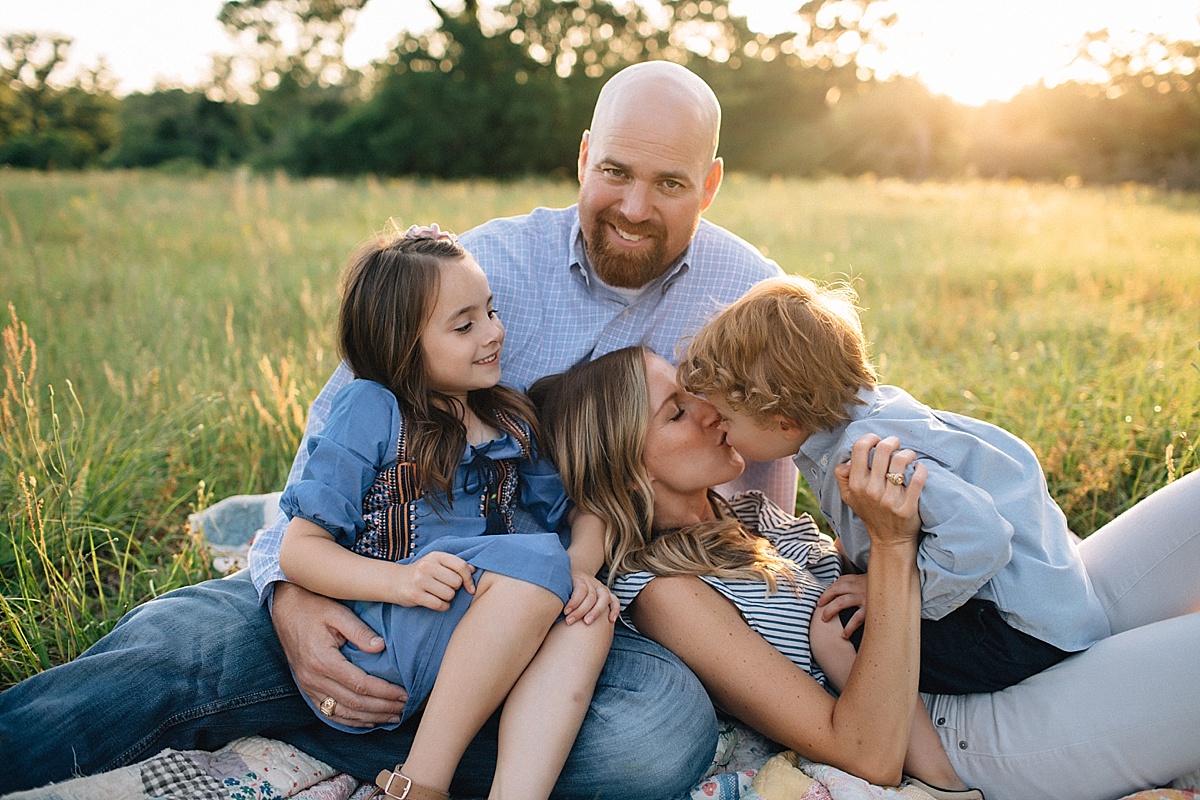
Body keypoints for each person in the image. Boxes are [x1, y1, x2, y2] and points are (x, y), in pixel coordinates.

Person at [0, 61, 791, 798]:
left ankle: (358, 733)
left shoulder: (750, 297)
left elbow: (818, 439)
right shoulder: (476, 268)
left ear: (712, 184)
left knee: (655, 734)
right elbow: (332, 442)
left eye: (671, 182)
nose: (633, 207)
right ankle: (342, 715)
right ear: (584, 156)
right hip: (381, 574)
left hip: (561, 615)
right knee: (179, 652)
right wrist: (289, 597)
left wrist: (873, 554)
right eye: (615, 171)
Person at [532, 344, 1200, 800]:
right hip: (959, 725)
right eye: (677, 410)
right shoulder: (668, 596)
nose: (711, 408)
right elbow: (865, 752)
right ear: (629, 463)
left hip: (995, 636)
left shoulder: (751, 517)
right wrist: (892, 548)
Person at [276, 224, 616, 800]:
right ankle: (421, 783)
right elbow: (299, 548)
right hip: (384, 636)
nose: (494, 333)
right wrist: (401, 580)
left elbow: (589, 511)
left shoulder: (508, 419)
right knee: (533, 568)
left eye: (491, 311)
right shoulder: (373, 408)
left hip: (484, 632)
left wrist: (580, 570)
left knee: (590, 613)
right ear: (400, 343)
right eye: (465, 325)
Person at [678, 275, 1109, 696]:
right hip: (1042, 606)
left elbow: (982, 535)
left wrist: (887, 594)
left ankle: (901, 739)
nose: (719, 427)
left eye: (727, 418)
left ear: (784, 422)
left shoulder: (868, 453)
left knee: (847, 639)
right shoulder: (866, 414)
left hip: (1016, 630)